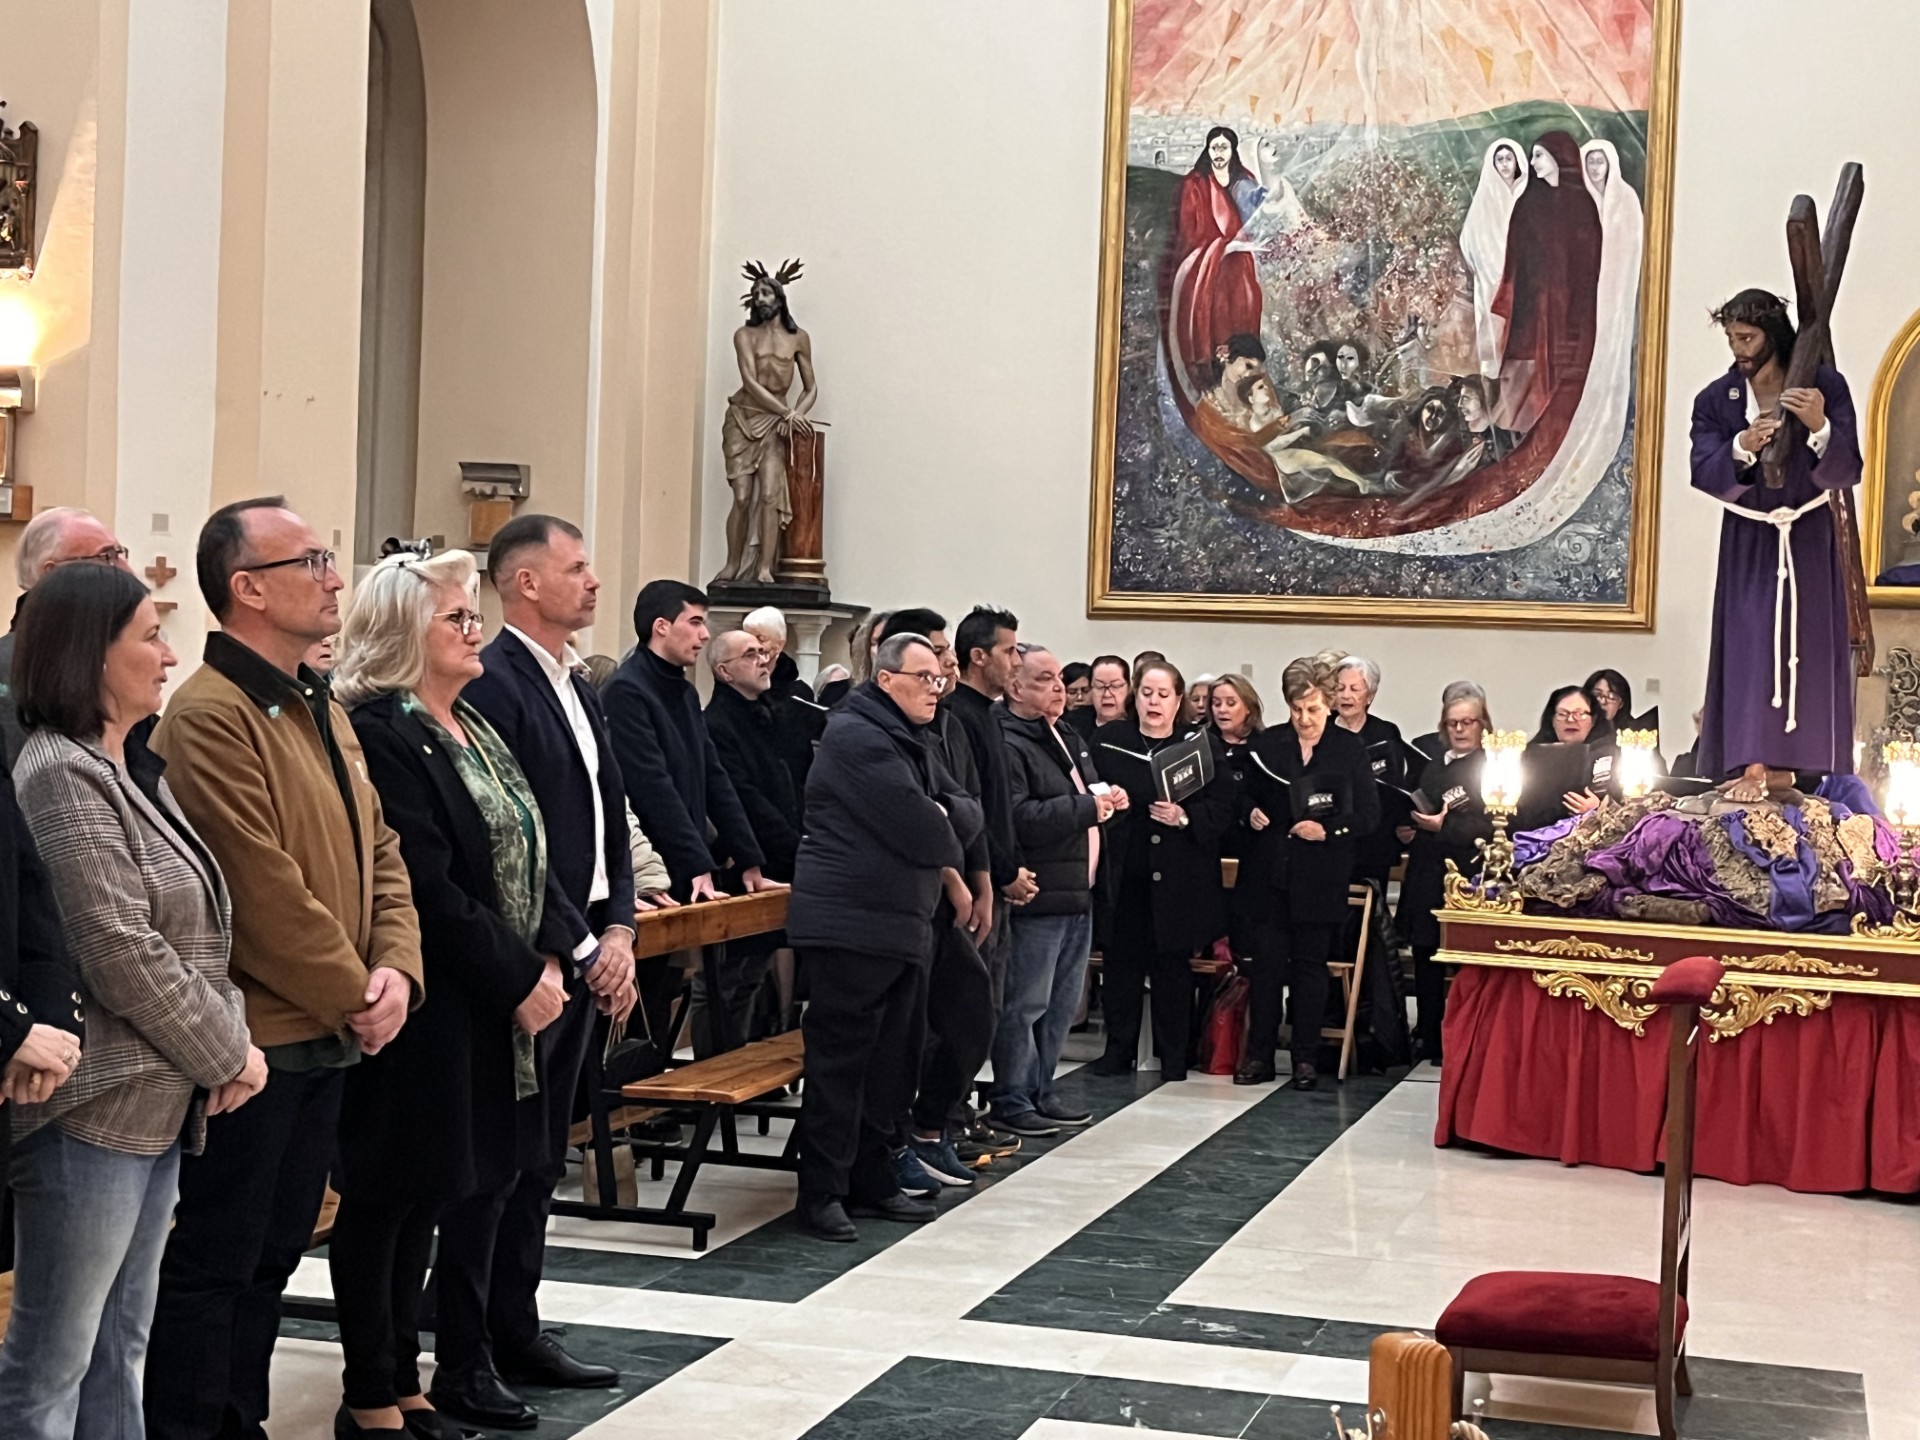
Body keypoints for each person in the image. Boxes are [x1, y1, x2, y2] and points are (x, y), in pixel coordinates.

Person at [144, 498, 424, 1440]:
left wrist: (397, 970)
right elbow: (258, 889)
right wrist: (359, 992)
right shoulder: (209, 715)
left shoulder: (318, 703)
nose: (335, 577)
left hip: (328, 1033)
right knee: (216, 1261)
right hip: (256, 1039)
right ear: (248, 588)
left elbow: (380, 849)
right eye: (310, 561)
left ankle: (242, 1421)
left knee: (271, 1256)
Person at [0, 564, 258, 1440]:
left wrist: (227, 1040)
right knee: (55, 1360)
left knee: (122, 1346)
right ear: (91, 656)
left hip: (155, 1100)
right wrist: (228, 1052)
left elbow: (202, 924)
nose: (169, 655)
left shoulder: (130, 766)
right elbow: (118, 949)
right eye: (150, 636)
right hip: (93, 1106)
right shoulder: (60, 774)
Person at [329, 550, 575, 1439]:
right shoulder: (383, 732)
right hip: (429, 999)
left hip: (487, 1003)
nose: (477, 632)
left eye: (476, 617)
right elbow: (427, 885)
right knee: (390, 1196)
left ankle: (410, 1385)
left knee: (434, 1194)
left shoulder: (467, 723)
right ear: (405, 632)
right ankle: (373, 1393)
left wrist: (553, 955)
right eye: (458, 619)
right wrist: (518, 978)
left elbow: (528, 847)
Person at [445, 515, 637, 1424]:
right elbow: (512, 842)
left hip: (589, 940)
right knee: (501, 1159)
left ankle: (516, 1324)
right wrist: (584, 946)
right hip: (534, 953)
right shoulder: (496, 681)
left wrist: (621, 924)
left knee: (541, 1159)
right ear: (525, 583)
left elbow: (608, 814)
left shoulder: (576, 683)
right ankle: (470, 1344)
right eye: (577, 567)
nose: (593, 581)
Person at [788, 632, 982, 1242]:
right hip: (851, 924)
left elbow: (966, 808)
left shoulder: (908, 735)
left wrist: (947, 813)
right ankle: (821, 1192)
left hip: (898, 923)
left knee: (890, 1064)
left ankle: (870, 1179)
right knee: (842, 1065)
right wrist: (944, 815)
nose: (936, 688)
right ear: (886, 678)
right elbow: (927, 831)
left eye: (938, 678)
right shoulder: (858, 736)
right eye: (924, 677)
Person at [1692, 287, 1861, 800]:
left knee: (1805, 642)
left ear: (1773, 335)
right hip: (1750, 534)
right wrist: (1741, 446)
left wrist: (1819, 426)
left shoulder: (1824, 385)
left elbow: (1848, 467)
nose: (1738, 349)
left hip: (1807, 534)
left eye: (1747, 337)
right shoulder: (1717, 399)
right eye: (1732, 338)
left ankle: (1788, 768)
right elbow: (1703, 469)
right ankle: (1751, 763)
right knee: (1750, 642)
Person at [606, 581, 781, 1056]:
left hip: (681, 863)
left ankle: (660, 1079)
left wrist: (748, 859)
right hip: (648, 872)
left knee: (666, 988)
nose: (705, 635)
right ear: (662, 627)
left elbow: (714, 779)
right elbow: (651, 788)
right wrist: (696, 863)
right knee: (644, 996)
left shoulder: (682, 692)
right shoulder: (627, 691)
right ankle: (636, 1086)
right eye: (696, 622)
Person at [872, 609, 997, 1182]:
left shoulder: (942, 724)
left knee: (973, 1013)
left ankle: (930, 1127)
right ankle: (902, 1142)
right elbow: (921, 821)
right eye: (931, 662)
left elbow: (970, 806)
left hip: (948, 890)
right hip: (908, 900)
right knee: (910, 1033)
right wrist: (953, 875)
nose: (945, 669)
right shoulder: (869, 731)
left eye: (943, 659)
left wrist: (982, 874)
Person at [992, 645, 1119, 1133]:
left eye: (1060, 677)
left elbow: (1085, 793)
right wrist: (1088, 808)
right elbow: (1019, 816)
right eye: (1045, 679)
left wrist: (1107, 797)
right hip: (1039, 893)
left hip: (1077, 890)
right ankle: (1012, 1097)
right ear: (1015, 686)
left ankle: (1042, 1089)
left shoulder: (1065, 733)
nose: (1059, 687)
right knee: (1026, 1003)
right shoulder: (1009, 740)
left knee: (1061, 1006)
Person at [1237, 656, 1379, 1089]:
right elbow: (1242, 796)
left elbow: (1369, 815)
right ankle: (1259, 1055)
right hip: (1271, 873)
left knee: (1310, 969)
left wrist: (1328, 830)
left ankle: (1305, 1058)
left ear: (1330, 704)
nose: (1304, 718)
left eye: (1313, 709)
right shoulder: (1269, 744)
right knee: (1265, 968)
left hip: (1320, 875)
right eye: (1296, 708)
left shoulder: (1348, 748)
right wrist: (1250, 813)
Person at [1089, 661, 1231, 1081]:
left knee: (1172, 967)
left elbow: (1224, 805)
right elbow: (1088, 788)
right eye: (1147, 693)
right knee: (1121, 966)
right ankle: (1118, 1052)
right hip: (1126, 870)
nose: (1154, 702)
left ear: (1178, 700)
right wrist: (1110, 796)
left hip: (1179, 875)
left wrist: (1185, 817)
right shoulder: (1111, 740)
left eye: (1163, 695)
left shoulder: (1199, 745)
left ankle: (1174, 1057)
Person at [703, 629, 803, 1051]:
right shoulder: (717, 723)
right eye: (750, 655)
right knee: (726, 980)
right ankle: (714, 1068)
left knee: (752, 977)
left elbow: (787, 784)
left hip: (777, 857)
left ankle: (736, 1058)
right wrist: (794, 845)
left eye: (763, 652)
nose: (763, 660)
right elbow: (743, 797)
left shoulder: (768, 714)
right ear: (725, 672)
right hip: (745, 862)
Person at [1398, 682, 1495, 1064]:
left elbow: (1495, 825)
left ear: (1482, 724)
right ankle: (1429, 1034)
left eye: (1468, 722)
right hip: (1427, 870)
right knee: (1425, 953)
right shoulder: (1435, 763)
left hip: (1468, 872)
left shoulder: (1493, 765)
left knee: (1464, 958)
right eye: (1452, 722)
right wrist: (1410, 825)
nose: (1459, 729)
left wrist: (1445, 827)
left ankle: (1465, 1036)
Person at [0, 506, 136, 765]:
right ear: (52, 574)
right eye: (107, 556)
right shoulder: (15, 670)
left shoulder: (106, 657)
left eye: (120, 554)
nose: (127, 570)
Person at [1488, 130, 1602, 438]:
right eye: (1533, 155)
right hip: (1533, 307)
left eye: (1539, 155)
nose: (1532, 161)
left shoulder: (1583, 205)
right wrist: (1513, 299)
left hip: (1572, 308)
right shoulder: (1528, 203)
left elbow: (1590, 262)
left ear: (1558, 156)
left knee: (1568, 371)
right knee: (1527, 375)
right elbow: (1515, 260)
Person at [949, 606, 1032, 1012]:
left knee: (991, 1005)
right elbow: (968, 807)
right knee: (970, 1007)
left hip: (995, 880)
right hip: (974, 883)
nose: (1017, 662)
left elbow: (999, 807)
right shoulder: (958, 717)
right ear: (979, 656)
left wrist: (1013, 866)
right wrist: (1003, 871)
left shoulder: (988, 714)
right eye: (1009, 651)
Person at [1333, 655, 1410, 889]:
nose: (1345, 695)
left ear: (1370, 695)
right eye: (1340, 688)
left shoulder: (1385, 732)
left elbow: (1395, 786)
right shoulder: (1322, 731)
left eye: (1354, 688)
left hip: (1375, 837)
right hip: (1333, 836)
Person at [1208, 673, 1265, 960]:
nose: (1222, 710)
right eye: (1216, 703)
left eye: (1231, 703)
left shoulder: (1264, 748)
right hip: (1209, 844)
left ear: (1249, 708)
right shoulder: (1200, 744)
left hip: (1248, 847)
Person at [1460, 138, 1527, 379]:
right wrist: (1487, 263)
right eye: (1500, 159)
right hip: (1490, 273)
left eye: (1509, 159)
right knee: (1492, 325)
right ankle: (1492, 378)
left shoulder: (1526, 192)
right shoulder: (1486, 195)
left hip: (1522, 272)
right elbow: (1469, 238)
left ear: (1518, 161)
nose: (1505, 164)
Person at [1516, 683, 1617, 832]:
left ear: (1593, 720)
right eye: (1562, 714)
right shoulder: (1527, 756)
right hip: (1535, 835)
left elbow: (1629, 808)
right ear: (1552, 720)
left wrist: (1599, 809)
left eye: (1579, 713)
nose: (1570, 720)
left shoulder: (1613, 756)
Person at [1068, 653, 1131, 740]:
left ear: (1129, 688)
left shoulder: (1140, 725)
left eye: (1115, 686)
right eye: (1099, 686)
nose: (1107, 694)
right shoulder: (1072, 725)